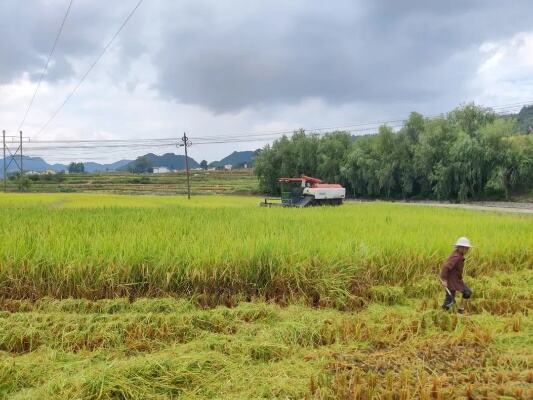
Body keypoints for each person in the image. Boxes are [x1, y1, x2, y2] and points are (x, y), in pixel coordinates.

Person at [440, 237, 473, 314]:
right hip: (451, 281)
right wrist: (444, 280)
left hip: (456, 280)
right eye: (467, 248)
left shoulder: (458, 255)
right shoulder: (456, 257)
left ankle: (461, 309)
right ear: (461, 248)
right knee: (449, 301)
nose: (468, 250)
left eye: (468, 248)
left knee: (467, 292)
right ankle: (442, 314)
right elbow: (446, 267)